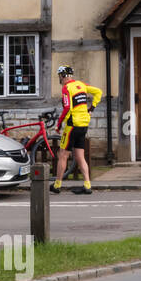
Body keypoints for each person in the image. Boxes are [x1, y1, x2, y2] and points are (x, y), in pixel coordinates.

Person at [52, 66, 103, 194]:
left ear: (63, 76)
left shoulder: (66, 88)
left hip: (72, 125)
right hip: (84, 125)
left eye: (59, 76)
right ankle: (87, 184)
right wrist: (91, 108)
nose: (60, 79)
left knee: (63, 155)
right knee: (80, 156)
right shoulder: (81, 84)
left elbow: (67, 107)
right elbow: (98, 92)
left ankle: (57, 185)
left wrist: (58, 125)